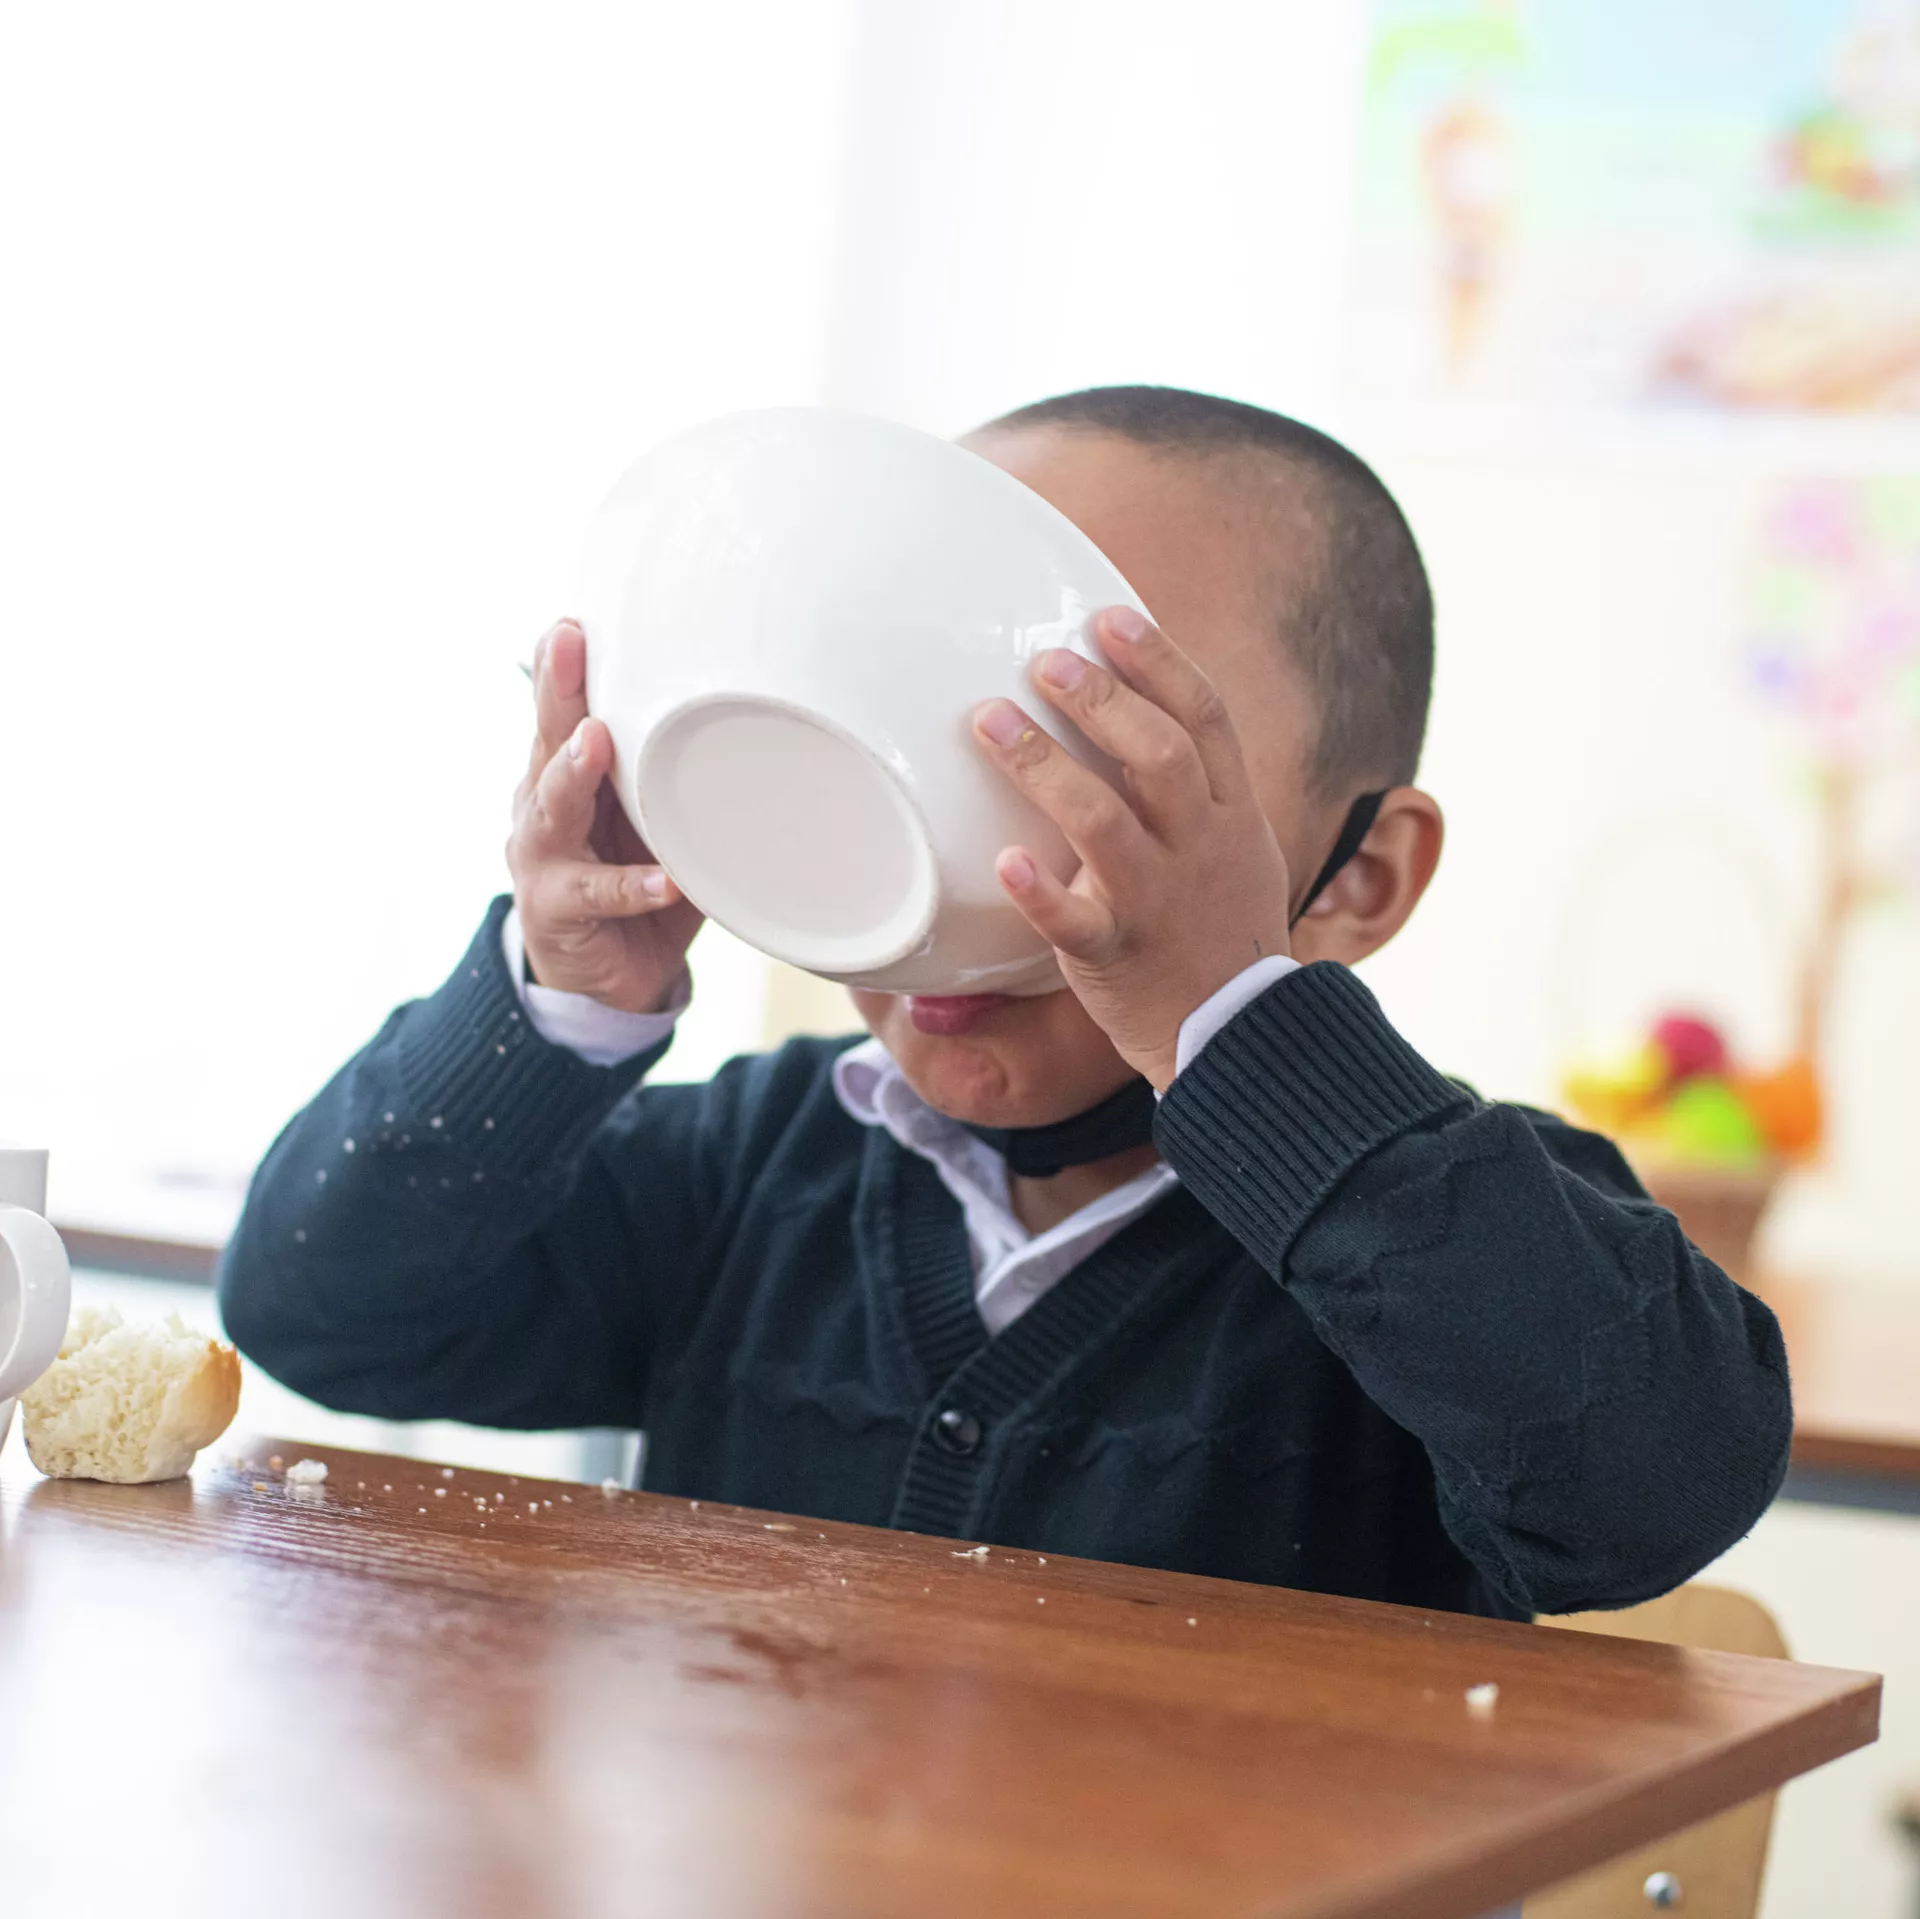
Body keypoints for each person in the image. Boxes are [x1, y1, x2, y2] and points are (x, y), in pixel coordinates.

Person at [218, 386, 1791, 1620]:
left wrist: (1233, 1023)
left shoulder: (1452, 1233)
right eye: (925, 736)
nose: (993, 852)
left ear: (1360, 874)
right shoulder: (753, 1170)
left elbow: (1651, 1484)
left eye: (1112, 761)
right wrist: (569, 997)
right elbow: (324, 1310)